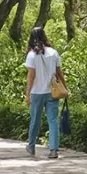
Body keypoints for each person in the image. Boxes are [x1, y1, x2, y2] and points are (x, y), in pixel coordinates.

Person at [25, 27, 66, 159]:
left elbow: (31, 76)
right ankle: (53, 150)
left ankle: (31, 146)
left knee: (35, 120)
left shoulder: (31, 55)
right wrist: (65, 88)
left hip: (37, 92)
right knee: (53, 121)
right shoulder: (53, 53)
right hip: (52, 91)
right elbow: (59, 72)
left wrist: (28, 94)